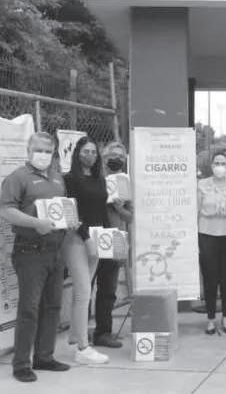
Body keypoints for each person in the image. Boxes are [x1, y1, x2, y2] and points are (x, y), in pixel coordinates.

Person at [0, 132, 75, 382]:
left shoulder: (57, 177)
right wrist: (36, 223)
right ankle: (21, 364)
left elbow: (62, 207)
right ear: (29, 151)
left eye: (47, 151)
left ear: (53, 153)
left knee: (53, 306)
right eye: (38, 150)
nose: (43, 155)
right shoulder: (18, 177)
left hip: (55, 251)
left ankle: (44, 357)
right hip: (29, 252)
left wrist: (70, 221)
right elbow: (5, 210)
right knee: (29, 309)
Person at [62, 136, 110, 364]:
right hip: (77, 239)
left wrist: (109, 237)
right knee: (83, 292)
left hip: (98, 238)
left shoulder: (100, 179)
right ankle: (83, 348)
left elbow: (102, 211)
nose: (89, 155)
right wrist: (87, 238)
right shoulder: (70, 179)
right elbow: (72, 213)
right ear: (77, 153)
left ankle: (74, 337)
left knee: (84, 291)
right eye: (85, 151)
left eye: (93, 151)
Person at [197, 152, 226, 335]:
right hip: (207, 234)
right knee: (209, 278)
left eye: (223, 163)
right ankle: (210, 318)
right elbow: (196, 212)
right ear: (211, 166)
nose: (219, 166)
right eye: (216, 163)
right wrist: (194, 239)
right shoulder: (202, 185)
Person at [93, 141, 132, 348]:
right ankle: (81, 334)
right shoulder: (93, 177)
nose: (116, 159)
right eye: (112, 156)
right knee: (85, 288)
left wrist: (118, 207)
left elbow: (130, 217)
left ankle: (103, 332)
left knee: (108, 289)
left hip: (115, 237)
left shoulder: (125, 182)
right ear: (103, 157)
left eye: (120, 157)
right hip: (92, 236)